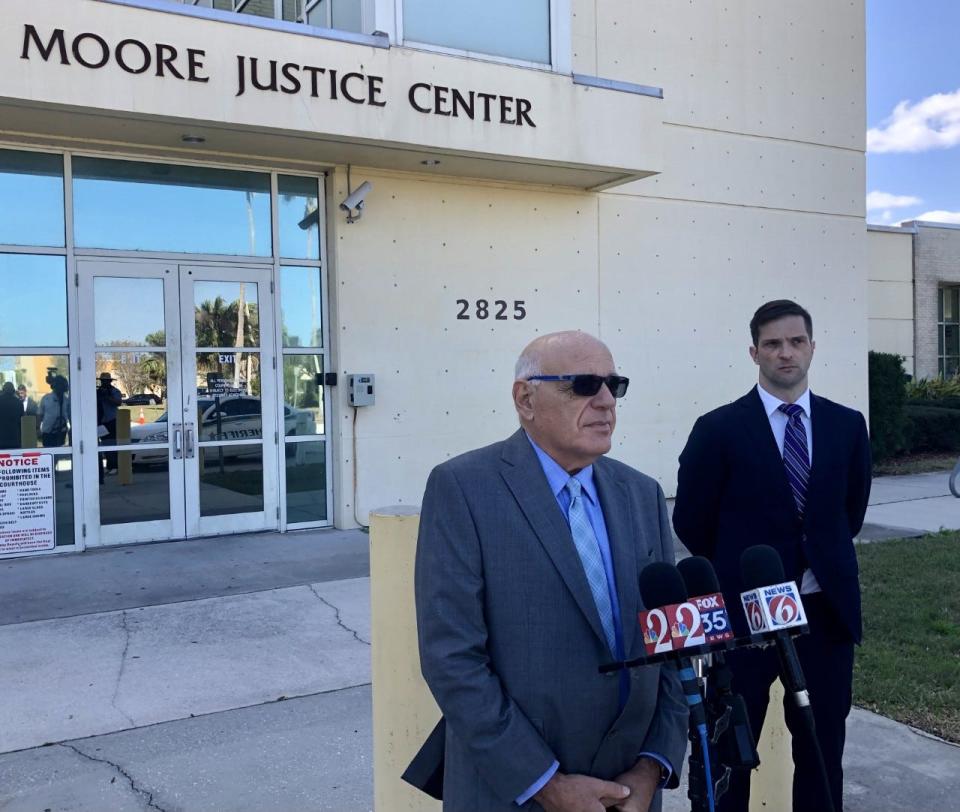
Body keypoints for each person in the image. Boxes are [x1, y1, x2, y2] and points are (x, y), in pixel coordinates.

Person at [413, 331, 688, 812]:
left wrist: (652, 765)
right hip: (515, 790)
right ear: (525, 398)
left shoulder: (642, 493)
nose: (605, 401)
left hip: (630, 791)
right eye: (583, 385)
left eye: (613, 385)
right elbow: (452, 659)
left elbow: (670, 645)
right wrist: (547, 784)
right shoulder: (463, 488)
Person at [672, 300, 872, 812]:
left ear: (812, 346)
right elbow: (691, 521)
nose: (786, 353)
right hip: (743, 616)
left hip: (824, 612)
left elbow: (848, 514)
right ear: (754, 352)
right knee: (731, 746)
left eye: (796, 341)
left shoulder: (847, 426)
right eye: (773, 344)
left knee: (823, 748)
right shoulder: (718, 429)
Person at [96, 371, 124, 476]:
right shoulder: (98, 392)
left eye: (106, 381)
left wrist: (108, 397)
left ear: (110, 381)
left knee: (112, 443)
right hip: (101, 421)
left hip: (112, 421)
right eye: (103, 381)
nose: (104, 383)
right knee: (104, 444)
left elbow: (118, 402)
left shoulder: (114, 391)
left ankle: (114, 466)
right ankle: (109, 466)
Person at [38, 375, 70, 448]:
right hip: (48, 433)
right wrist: (38, 430)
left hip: (61, 432)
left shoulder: (66, 401)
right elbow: (39, 415)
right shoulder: (46, 398)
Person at [0, 382, 23, 449]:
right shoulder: (18, 403)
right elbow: (22, 421)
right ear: (13, 391)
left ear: (3, 390)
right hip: (15, 438)